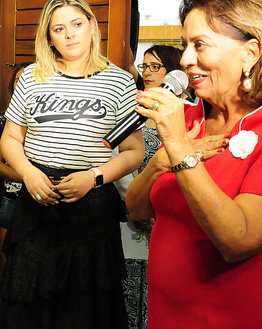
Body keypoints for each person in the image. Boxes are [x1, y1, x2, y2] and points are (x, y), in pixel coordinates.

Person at [126, 0, 262, 329]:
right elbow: (136, 211)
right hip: (167, 314)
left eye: (201, 45)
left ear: (251, 51)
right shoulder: (187, 118)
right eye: (185, 45)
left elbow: (237, 240)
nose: (185, 59)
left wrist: (180, 151)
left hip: (235, 318)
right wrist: (159, 162)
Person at [0, 0, 144, 329]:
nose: (70, 34)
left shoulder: (120, 81)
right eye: (58, 29)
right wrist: (27, 173)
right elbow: (11, 139)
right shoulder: (32, 77)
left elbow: (133, 151)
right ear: (48, 37)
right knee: (27, 303)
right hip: (37, 200)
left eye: (77, 24)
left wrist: (93, 177)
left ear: (92, 26)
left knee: (84, 308)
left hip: (92, 203)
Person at [118, 44, 184, 329]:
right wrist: (137, 205)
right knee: (130, 280)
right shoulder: (133, 108)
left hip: (171, 215)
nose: (147, 72)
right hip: (132, 210)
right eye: (144, 66)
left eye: (155, 66)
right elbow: (119, 160)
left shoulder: (186, 112)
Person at [0, 61, 30, 298]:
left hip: (45, 199)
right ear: (12, 86)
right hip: (13, 198)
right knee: (6, 259)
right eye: (19, 80)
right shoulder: (2, 119)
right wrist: (33, 177)